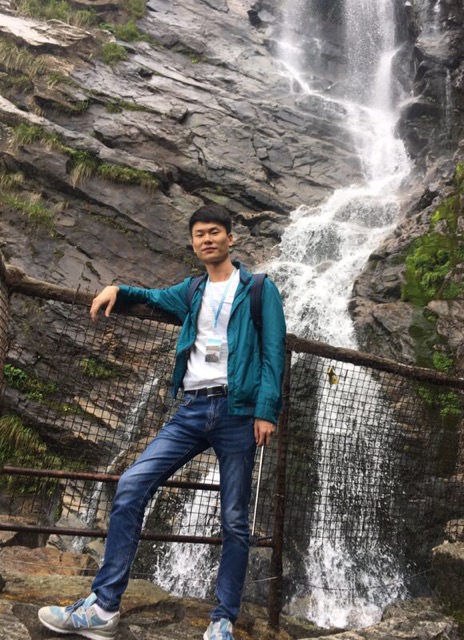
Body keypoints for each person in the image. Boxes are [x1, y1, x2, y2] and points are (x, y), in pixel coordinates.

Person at [38, 204, 286, 640]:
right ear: (193, 243)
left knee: (233, 519)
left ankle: (222, 619)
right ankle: (103, 607)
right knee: (132, 484)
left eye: (214, 232)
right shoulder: (191, 290)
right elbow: (150, 297)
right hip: (192, 409)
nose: (207, 239)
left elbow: (274, 351)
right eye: (199, 234)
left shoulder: (260, 289)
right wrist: (117, 288)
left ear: (231, 238)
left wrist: (267, 410)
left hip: (239, 413)